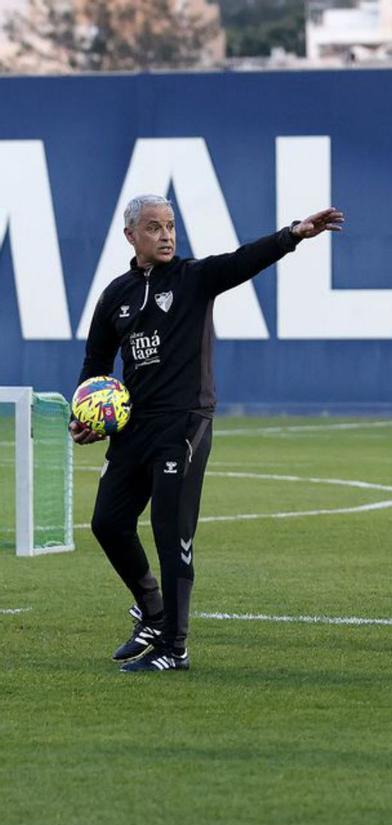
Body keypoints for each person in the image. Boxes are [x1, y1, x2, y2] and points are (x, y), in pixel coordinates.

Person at [71, 194, 345, 672]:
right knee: (107, 524)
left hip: (184, 422)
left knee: (169, 529)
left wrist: (293, 235)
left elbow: (242, 261)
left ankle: (174, 647)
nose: (166, 235)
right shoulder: (115, 295)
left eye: (171, 225)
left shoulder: (193, 279)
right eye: (154, 227)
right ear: (131, 236)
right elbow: (96, 365)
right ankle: (153, 612)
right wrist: (87, 415)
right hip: (135, 427)